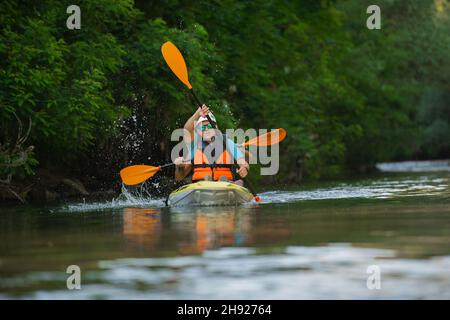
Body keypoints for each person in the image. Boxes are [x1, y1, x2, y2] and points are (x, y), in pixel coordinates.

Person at [174, 105, 249, 186]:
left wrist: (244, 168)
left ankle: (222, 182)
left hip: (226, 185)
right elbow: (179, 177)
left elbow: (243, 162)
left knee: (240, 182)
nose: (206, 129)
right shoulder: (195, 145)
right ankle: (207, 182)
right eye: (202, 127)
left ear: (215, 127)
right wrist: (179, 167)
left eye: (209, 126)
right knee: (203, 180)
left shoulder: (227, 142)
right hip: (201, 185)